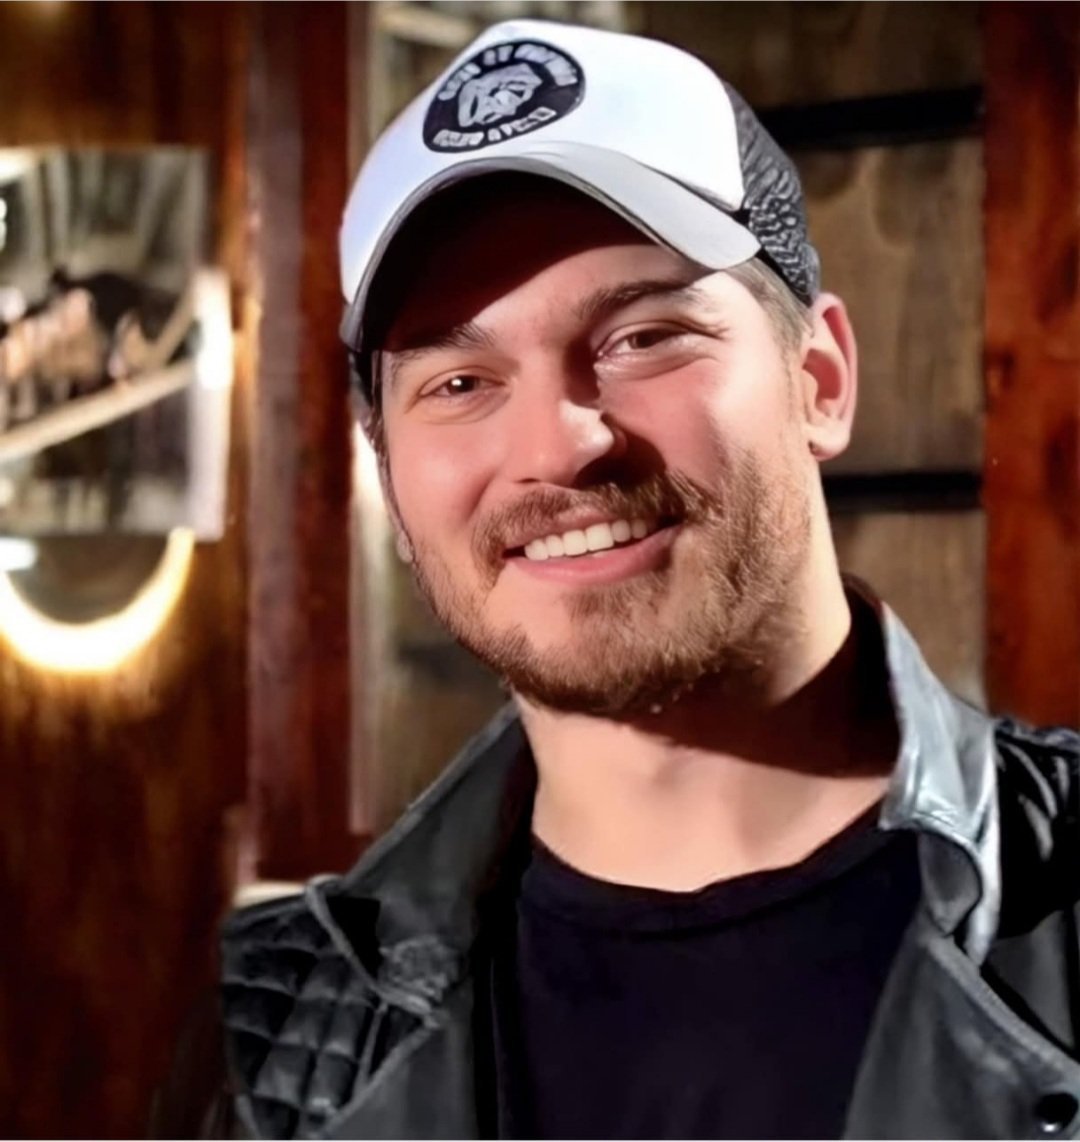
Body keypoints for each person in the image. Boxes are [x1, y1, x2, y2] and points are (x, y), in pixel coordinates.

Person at [175, 19, 1080, 1141]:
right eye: (459, 382)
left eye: (643, 337)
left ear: (820, 378)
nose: (558, 448)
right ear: (389, 475)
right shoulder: (274, 1036)